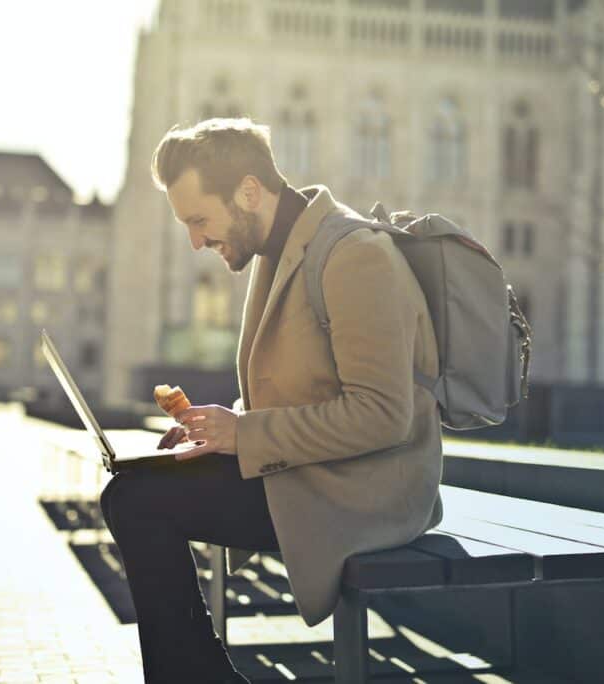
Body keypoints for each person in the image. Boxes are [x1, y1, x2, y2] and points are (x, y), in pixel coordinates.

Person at [98, 117, 444, 683]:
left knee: (139, 502)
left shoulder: (355, 254)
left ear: (249, 192)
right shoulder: (281, 253)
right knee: (131, 494)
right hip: (317, 473)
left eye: (199, 219)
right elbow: (302, 390)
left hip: (368, 491)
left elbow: (383, 414)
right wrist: (220, 428)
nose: (196, 240)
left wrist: (245, 436)